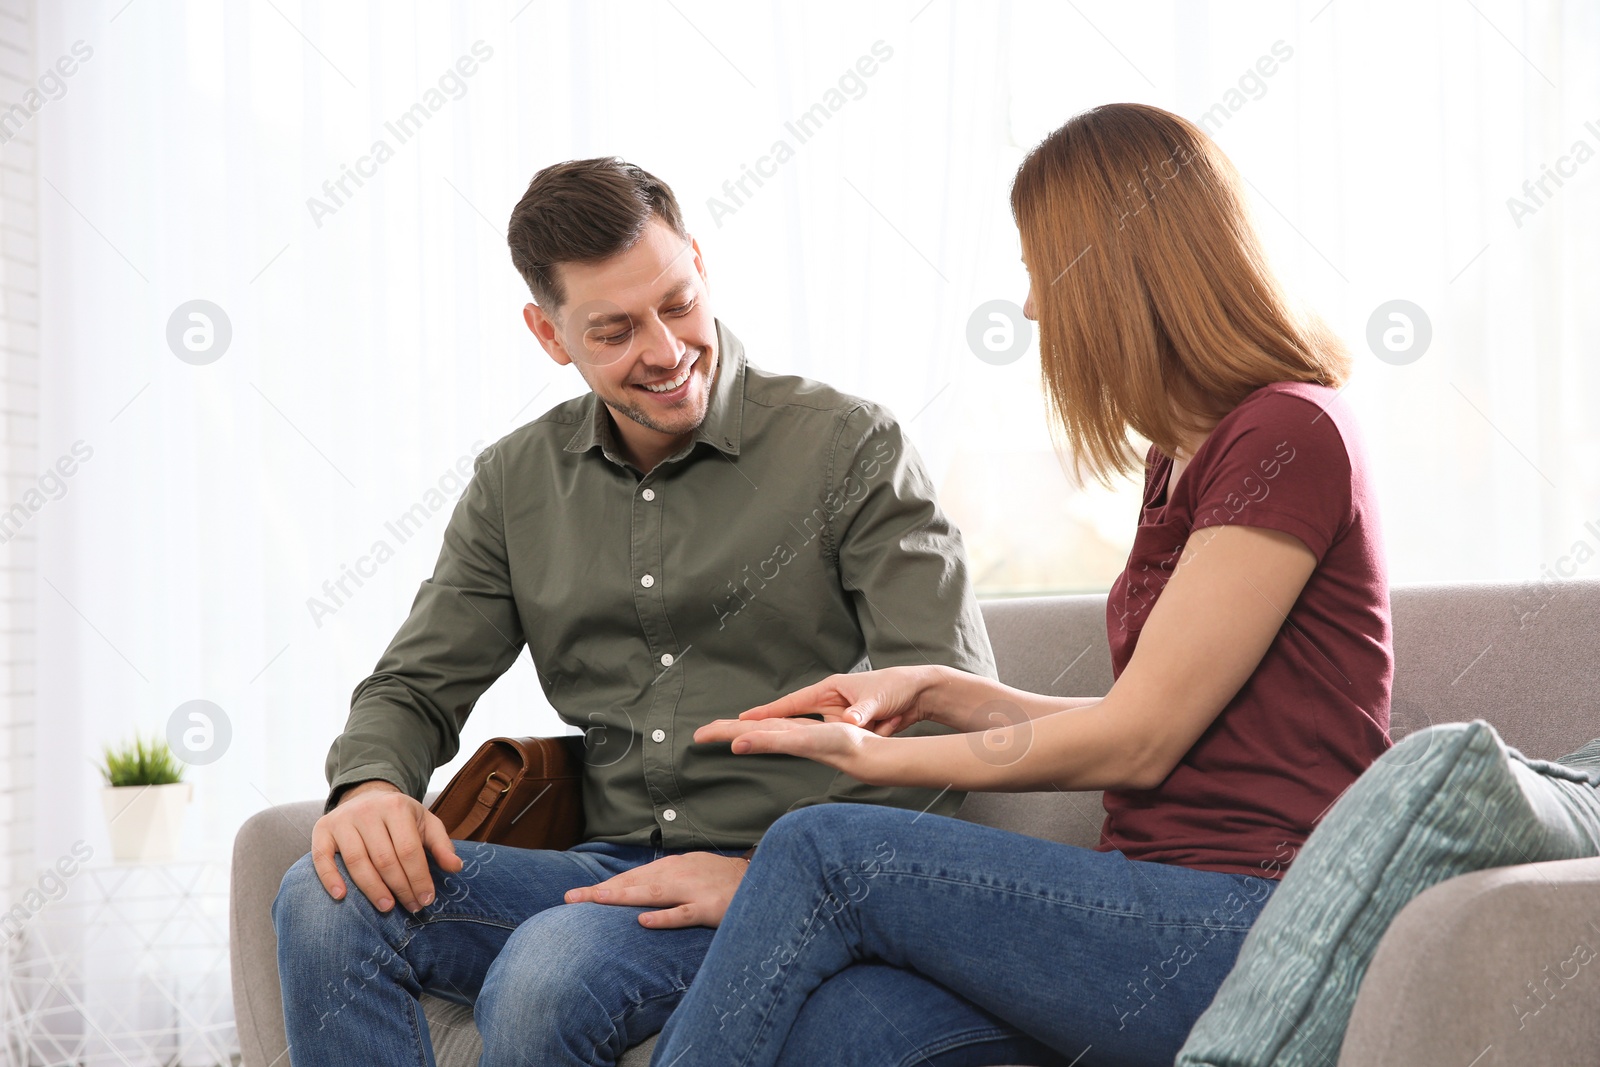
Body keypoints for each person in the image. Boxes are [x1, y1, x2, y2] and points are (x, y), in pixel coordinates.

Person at [650, 103, 1394, 1067]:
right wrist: (937, 690)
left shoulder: (1287, 434)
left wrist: (871, 764)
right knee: (854, 1019)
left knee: (819, 848)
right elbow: (1161, 711)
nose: (1035, 307)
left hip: (1255, 929)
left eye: (1041, 270)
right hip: (1153, 904)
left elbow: (1140, 738)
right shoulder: (1184, 456)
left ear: (1118, 272)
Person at [271, 157, 996, 1067]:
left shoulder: (849, 446)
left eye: (679, 302)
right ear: (549, 334)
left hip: (794, 869)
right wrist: (371, 783)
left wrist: (777, 879)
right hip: (611, 868)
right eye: (613, 330)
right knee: (325, 897)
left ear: (697, 258)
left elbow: (949, 702)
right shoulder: (515, 483)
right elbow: (415, 682)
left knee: (550, 969)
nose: (665, 349)